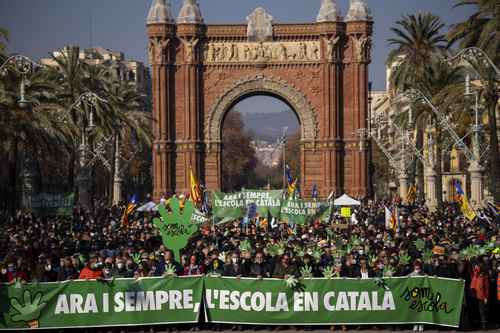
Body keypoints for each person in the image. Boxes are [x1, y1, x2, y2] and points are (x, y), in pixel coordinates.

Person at [470, 263, 489, 329]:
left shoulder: (484, 275)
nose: (476, 267)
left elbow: (486, 287)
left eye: (477, 266)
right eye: (476, 266)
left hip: (481, 295)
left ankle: (484, 326)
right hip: (474, 295)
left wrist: (486, 297)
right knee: (475, 311)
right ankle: (476, 325)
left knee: (482, 311)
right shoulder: (474, 274)